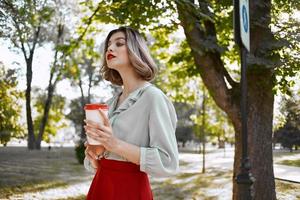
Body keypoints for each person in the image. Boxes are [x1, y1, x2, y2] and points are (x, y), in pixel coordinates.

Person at [83, 26, 179, 200]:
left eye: (119, 43)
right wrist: (94, 154)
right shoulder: (110, 103)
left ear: (136, 51)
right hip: (101, 185)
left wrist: (114, 144)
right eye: (108, 45)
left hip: (130, 190)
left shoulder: (153, 97)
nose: (110, 48)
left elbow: (168, 162)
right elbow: (102, 161)